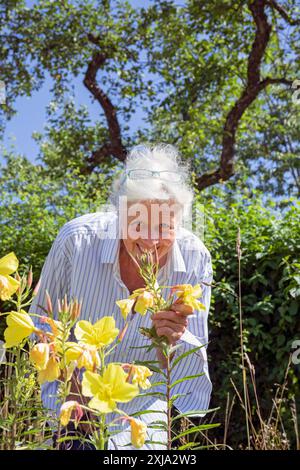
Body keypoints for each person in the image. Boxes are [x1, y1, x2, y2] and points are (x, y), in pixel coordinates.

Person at [29, 143, 213, 450]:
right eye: (138, 223)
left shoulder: (195, 259)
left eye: (165, 226)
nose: (151, 240)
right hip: (72, 409)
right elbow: (40, 328)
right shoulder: (76, 242)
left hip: (142, 419)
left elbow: (190, 377)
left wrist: (175, 342)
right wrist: (70, 378)